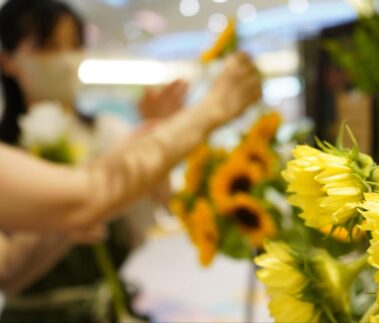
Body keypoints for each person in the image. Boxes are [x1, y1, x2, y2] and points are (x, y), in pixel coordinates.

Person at [0, 0, 261, 321]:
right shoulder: (7, 155)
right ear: (7, 59)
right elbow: (86, 195)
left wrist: (157, 144)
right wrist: (208, 111)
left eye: (75, 45)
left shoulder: (109, 132)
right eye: (49, 46)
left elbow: (152, 211)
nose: (67, 58)